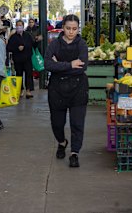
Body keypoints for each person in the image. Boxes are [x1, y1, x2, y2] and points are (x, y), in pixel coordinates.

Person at [44, 14, 88, 168]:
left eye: (74, 29)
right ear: (63, 28)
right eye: (68, 28)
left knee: (77, 124)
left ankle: (74, 153)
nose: (71, 32)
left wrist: (59, 66)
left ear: (78, 29)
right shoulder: (54, 45)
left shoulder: (81, 44)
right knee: (57, 123)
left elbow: (82, 67)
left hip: (78, 90)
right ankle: (62, 142)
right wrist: (70, 65)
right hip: (57, 90)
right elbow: (47, 65)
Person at [6, 20, 35, 99]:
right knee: (19, 74)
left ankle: (28, 90)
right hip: (17, 59)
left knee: (29, 74)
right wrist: (17, 48)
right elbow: (9, 47)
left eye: (20, 25)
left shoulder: (27, 35)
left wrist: (26, 46)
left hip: (27, 58)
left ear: (23, 26)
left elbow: (32, 44)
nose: (19, 27)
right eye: (17, 25)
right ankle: (20, 90)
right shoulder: (13, 37)